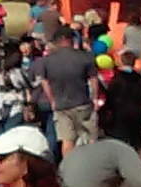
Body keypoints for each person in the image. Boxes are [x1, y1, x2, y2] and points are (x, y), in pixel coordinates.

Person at [34, 27, 100, 157]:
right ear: (72, 39)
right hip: (82, 102)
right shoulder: (85, 57)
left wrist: (52, 100)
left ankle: (68, 169)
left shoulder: (48, 61)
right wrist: (95, 98)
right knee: (89, 137)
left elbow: (44, 81)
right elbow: (93, 79)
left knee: (67, 139)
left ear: (57, 41)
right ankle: (92, 166)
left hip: (61, 105)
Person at [98, 52, 141, 150]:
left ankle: (124, 163)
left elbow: (110, 96)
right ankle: (139, 164)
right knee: (137, 143)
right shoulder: (140, 80)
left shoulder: (117, 79)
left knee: (122, 142)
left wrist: (108, 110)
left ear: (121, 62)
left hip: (120, 113)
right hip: (136, 112)